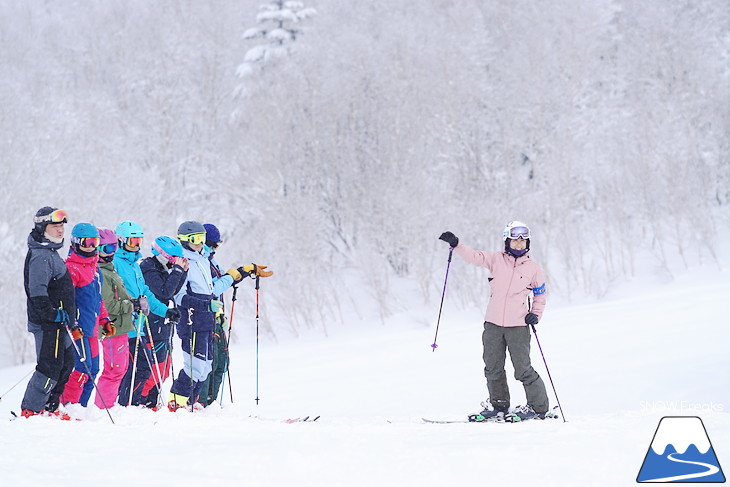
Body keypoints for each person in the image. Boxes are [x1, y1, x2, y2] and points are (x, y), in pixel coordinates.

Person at [439, 221, 548, 421]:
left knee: (522, 368)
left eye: (523, 242)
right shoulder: (496, 260)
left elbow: (540, 295)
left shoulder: (534, 269)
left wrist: (536, 314)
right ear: (507, 242)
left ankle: (538, 407)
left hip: (518, 326)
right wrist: (457, 244)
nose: (519, 245)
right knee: (492, 366)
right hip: (493, 324)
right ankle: (498, 405)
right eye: (515, 242)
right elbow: (474, 257)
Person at [168, 221, 272, 411]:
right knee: (194, 367)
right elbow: (180, 295)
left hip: (206, 319)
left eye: (202, 239)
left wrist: (240, 273)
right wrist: (207, 304)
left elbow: (212, 288)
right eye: (196, 239)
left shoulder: (202, 260)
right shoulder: (183, 261)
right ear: (184, 240)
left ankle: (192, 404)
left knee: (206, 367)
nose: (201, 244)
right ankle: (177, 403)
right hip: (191, 320)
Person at [20, 207, 79, 419]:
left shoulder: (50, 253)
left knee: (66, 364)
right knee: (49, 367)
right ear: (43, 227)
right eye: (55, 226)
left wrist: (69, 320)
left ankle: (50, 407)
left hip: (60, 324)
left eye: (62, 225)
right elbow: (37, 293)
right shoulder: (40, 256)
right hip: (47, 323)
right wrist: (52, 314)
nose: (60, 230)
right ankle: (31, 409)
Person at [113, 221, 169, 406]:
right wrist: (132, 304)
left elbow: (145, 292)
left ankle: (131, 404)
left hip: (139, 326)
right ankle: (128, 405)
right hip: (124, 326)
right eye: (132, 241)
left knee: (143, 367)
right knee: (138, 368)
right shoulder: (116, 263)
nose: (136, 245)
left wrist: (165, 311)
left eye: (139, 240)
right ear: (121, 241)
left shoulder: (135, 264)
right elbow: (111, 295)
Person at [59, 222, 110, 407]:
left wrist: (104, 320)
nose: (92, 247)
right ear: (75, 242)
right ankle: (68, 405)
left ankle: (81, 407)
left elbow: (98, 299)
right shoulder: (71, 268)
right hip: (78, 328)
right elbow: (66, 301)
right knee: (82, 369)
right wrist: (72, 324)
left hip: (92, 328)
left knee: (94, 369)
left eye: (95, 242)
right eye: (87, 243)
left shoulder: (95, 269)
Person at [138, 235, 188, 409]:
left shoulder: (164, 268)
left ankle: (152, 401)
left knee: (164, 370)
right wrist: (178, 271)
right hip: (152, 324)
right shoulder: (148, 268)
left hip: (164, 325)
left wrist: (182, 272)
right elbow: (164, 292)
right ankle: (141, 400)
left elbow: (173, 290)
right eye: (173, 259)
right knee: (155, 369)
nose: (175, 263)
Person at [94, 227, 136, 409]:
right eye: (106, 249)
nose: (111, 253)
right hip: (112, 327)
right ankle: (103, 408)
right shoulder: (102, 272)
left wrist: (132, 302)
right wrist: (132, 305)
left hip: (122, 326)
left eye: (114, 247)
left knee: (120, 369)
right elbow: (109, 306)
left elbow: (119, 298)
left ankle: (107, 406)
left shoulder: (109, 270)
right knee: (113, 370)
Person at [198, 223, 233, 407]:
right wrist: (231, 278)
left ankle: (211, 403)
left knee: (222, 363)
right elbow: (211, 288)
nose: (216, 249)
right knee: (208, 364)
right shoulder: (201, 261)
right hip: (205, 317)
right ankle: (201, 402)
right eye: (215, 244)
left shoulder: (211, 259)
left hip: (216, 316)